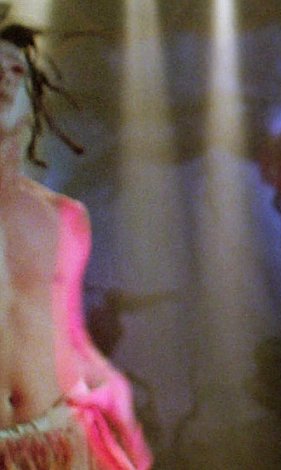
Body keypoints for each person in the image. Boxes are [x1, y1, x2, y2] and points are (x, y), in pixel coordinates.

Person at [0, 22, 151, 469]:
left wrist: (115, 395)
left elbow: (70, 337)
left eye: (16, 71)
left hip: (57, 442)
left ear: (34, 100)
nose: (4, 80)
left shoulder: (64, 217)